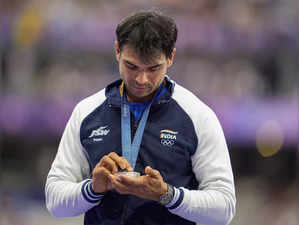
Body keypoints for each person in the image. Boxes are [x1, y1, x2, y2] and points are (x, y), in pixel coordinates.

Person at [45, 10, 236, 225]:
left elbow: (224, 208)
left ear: (171, 57)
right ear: (117, 51)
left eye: (153, 68)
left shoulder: (198, 116)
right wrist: (92, 188)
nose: (141, 79)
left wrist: (167, 195)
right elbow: (54, 201)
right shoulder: (87, 112)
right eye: (131, 66)